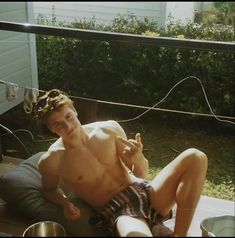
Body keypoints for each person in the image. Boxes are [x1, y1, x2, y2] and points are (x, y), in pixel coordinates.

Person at [34, 89, 208, 237]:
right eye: (58, 124)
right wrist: (64, 204)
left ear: (74, 110)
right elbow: (49, 190)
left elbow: (141, 173)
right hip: (118, 210)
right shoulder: (52, 160)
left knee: (195, 157)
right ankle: (153, 228)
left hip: (144, 191)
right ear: (51, 128)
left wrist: (138, 158)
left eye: (68, 116)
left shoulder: (109, 129)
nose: (68, 126)